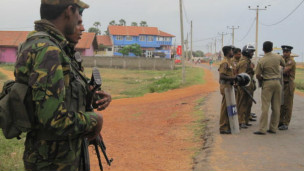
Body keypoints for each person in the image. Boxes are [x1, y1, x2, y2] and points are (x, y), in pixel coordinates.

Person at [14, 1, 111, 170]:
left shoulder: (49, 45)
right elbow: (52, 120)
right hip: (53, 162)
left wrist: (91, 96)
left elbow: (61, 94)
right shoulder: (48, 50)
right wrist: (94, 120)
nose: (80, 20)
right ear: (69, 11)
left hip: (56, 156)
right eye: (79, 13)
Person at [254, 41, 285, 135]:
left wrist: (262, 78)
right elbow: (283, 65)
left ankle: (262, 129)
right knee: (276, 106)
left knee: (265, 107)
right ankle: (273, 128)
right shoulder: (278, 57)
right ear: (272, 48)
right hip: (277, 82)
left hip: (267, 83)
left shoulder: (262, 60)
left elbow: (258, 74)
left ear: (263, 49)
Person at [236, 45, 256, 129]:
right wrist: (243, 87)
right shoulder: (244, 62)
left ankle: (246, 120)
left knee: (248, 104)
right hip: (245, 87)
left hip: (249, 85)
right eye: (251, 52)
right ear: (247, 52)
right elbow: (241, 76)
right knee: (242, 104)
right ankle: (241, 121)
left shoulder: (248, 61)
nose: (253, 53)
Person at [218, 45, 235, 134]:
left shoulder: (229, 62)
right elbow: (222, 75)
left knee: (228, 106)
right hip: (225, 86)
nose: (233, 52)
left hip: (228, 86)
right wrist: (232, 78)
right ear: (228, 52)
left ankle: (227, 125)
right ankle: (223, 127)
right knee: (225, 107)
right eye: (232, 51)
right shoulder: (224, 62)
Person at [279, 45, 296, 130]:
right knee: (281, 104)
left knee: (287, 105)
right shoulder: (282, 60)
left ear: (290, 52)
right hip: (282, 84)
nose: (285, 53)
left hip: (288, 84)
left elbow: (284, 70)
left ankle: (286, 123)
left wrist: (280, 68)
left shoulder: (290, 61)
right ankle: (280, 121)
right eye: (284, 52)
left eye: (287, 52)